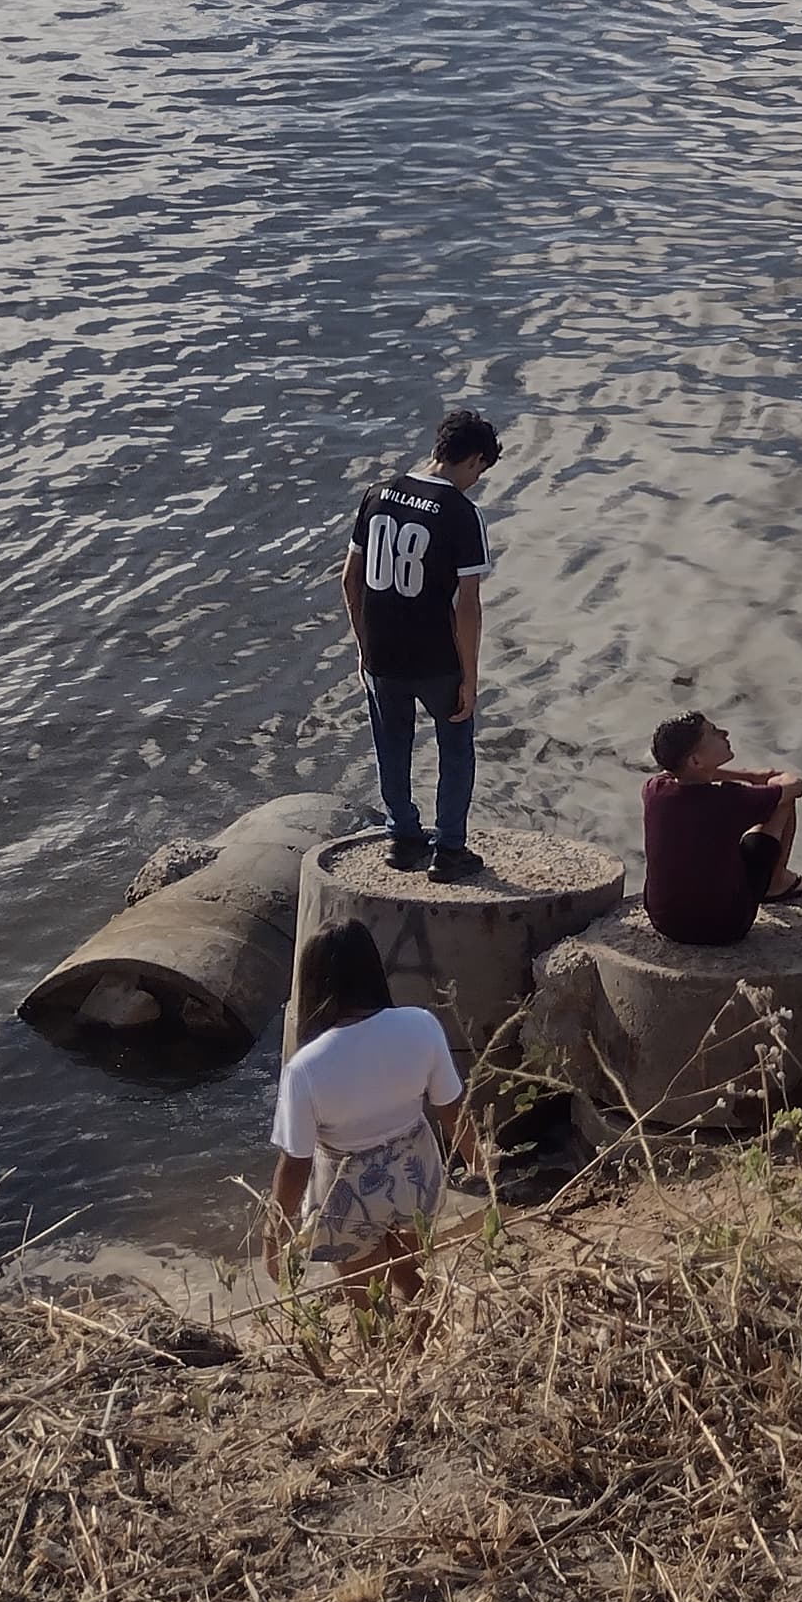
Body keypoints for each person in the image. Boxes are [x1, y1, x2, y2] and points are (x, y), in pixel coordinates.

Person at [265, 919, 468, 1303]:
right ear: (374, 969)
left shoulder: (305, 1067)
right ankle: (423, 1351)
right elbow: (452, 1109)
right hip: (414, 1175)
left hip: (348, 1192)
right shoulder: (421, 1026)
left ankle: (382, 1359)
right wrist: (483, 1170)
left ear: (313, 982)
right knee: (412, 1277)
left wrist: (273, 1237)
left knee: (365, 1301)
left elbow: (296, 1163)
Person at [338, 408, 501, 880]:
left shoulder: (377, 495)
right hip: (435, 655)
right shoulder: (461, 513)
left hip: (382, 651)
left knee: (391, 743)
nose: (476, 481)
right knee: (455, 746)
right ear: (473, 460)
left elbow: (350, 579)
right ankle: (450, 848)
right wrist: (470, 676)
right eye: (480, 471)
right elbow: (468, 605)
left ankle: (403, 836)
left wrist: (363, 644)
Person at [639, 711, 802, 945]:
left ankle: (771, 881)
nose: (725, 733)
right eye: (714, 732)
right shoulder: (729, 800)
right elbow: (796, 787)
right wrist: (776, 780)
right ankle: (776, 883)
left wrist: (749, 775)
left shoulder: (655, 790)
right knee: (780, 801)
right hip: (725, 927)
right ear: (696, 761)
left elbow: (674, 772)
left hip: (665, 922)